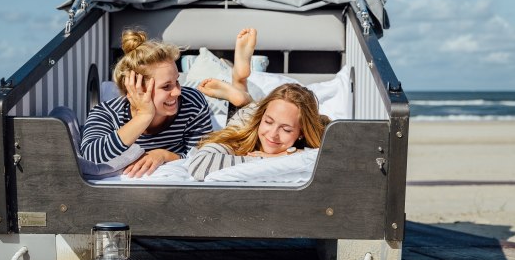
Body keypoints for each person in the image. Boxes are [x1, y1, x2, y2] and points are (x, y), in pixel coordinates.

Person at [189, 28, 329, 181]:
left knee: (248, 107)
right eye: (268, 122)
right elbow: (199, 165)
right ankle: (239, 82)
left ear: (301, 133)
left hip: (256, 110)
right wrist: (265, 159)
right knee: (245, 114)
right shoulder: (241, 134)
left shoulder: (319, 135)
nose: (273, 134)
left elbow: (338, 158)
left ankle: (240, 87)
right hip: (249, 117)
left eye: (286, 129)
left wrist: (280, 155)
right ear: (262, 117)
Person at [81, 29, 213, 178]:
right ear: (135, 88)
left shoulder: (193, 103)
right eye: (166, 86)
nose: (177, 92)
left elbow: (204, 158)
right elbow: (89, 158)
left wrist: (164, 155)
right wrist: (144, 116)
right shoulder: (106, 113)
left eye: (177, 81)